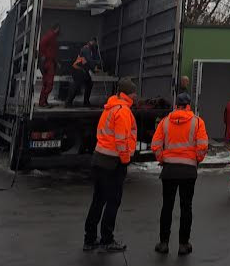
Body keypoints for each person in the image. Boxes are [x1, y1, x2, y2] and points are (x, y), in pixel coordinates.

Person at [84, 78, 138, 253]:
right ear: (128, 93)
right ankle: (107, 239)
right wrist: (125, 160)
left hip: (99, 158)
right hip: (113, 163)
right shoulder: (123, 111)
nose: (136, 95)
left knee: (98, 200)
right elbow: (121, 140)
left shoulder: (110, 108)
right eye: (134, 92)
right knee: (113, 201)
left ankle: (89, 239)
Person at [151, 92, 209, 256]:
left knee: (167, 206)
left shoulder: (165, 122)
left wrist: (162, 159)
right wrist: (196, 160)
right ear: (188, 106)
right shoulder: (197, 122)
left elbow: (156, 144)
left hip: (169, 169)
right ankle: (183, 244)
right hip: (188, 170)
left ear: (176, 105)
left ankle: (163, 243)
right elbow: (202, 146)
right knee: (186, 207)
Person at [67, 38, 100, 107]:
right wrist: (95, 66)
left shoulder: (90, 50)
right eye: (95, 42)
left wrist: (94, 68)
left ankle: (86, 102)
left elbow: (88, 61)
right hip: (77, 69)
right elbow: (89, 60)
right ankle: (68, 102)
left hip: (82, 70)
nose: (95, 44)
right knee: (76, 86)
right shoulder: (86, 49)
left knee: (89, 84)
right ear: (91, 42)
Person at [38, 23, 60, 108]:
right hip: (49, 62)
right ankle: (43, 102)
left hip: (48, 62)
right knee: (49, 84)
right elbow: (43, 45)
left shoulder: (50, 36)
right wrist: (43, 55)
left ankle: (43, 101)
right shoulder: (51, 36)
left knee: (46, 84)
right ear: (56, 28)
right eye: (59, 29)